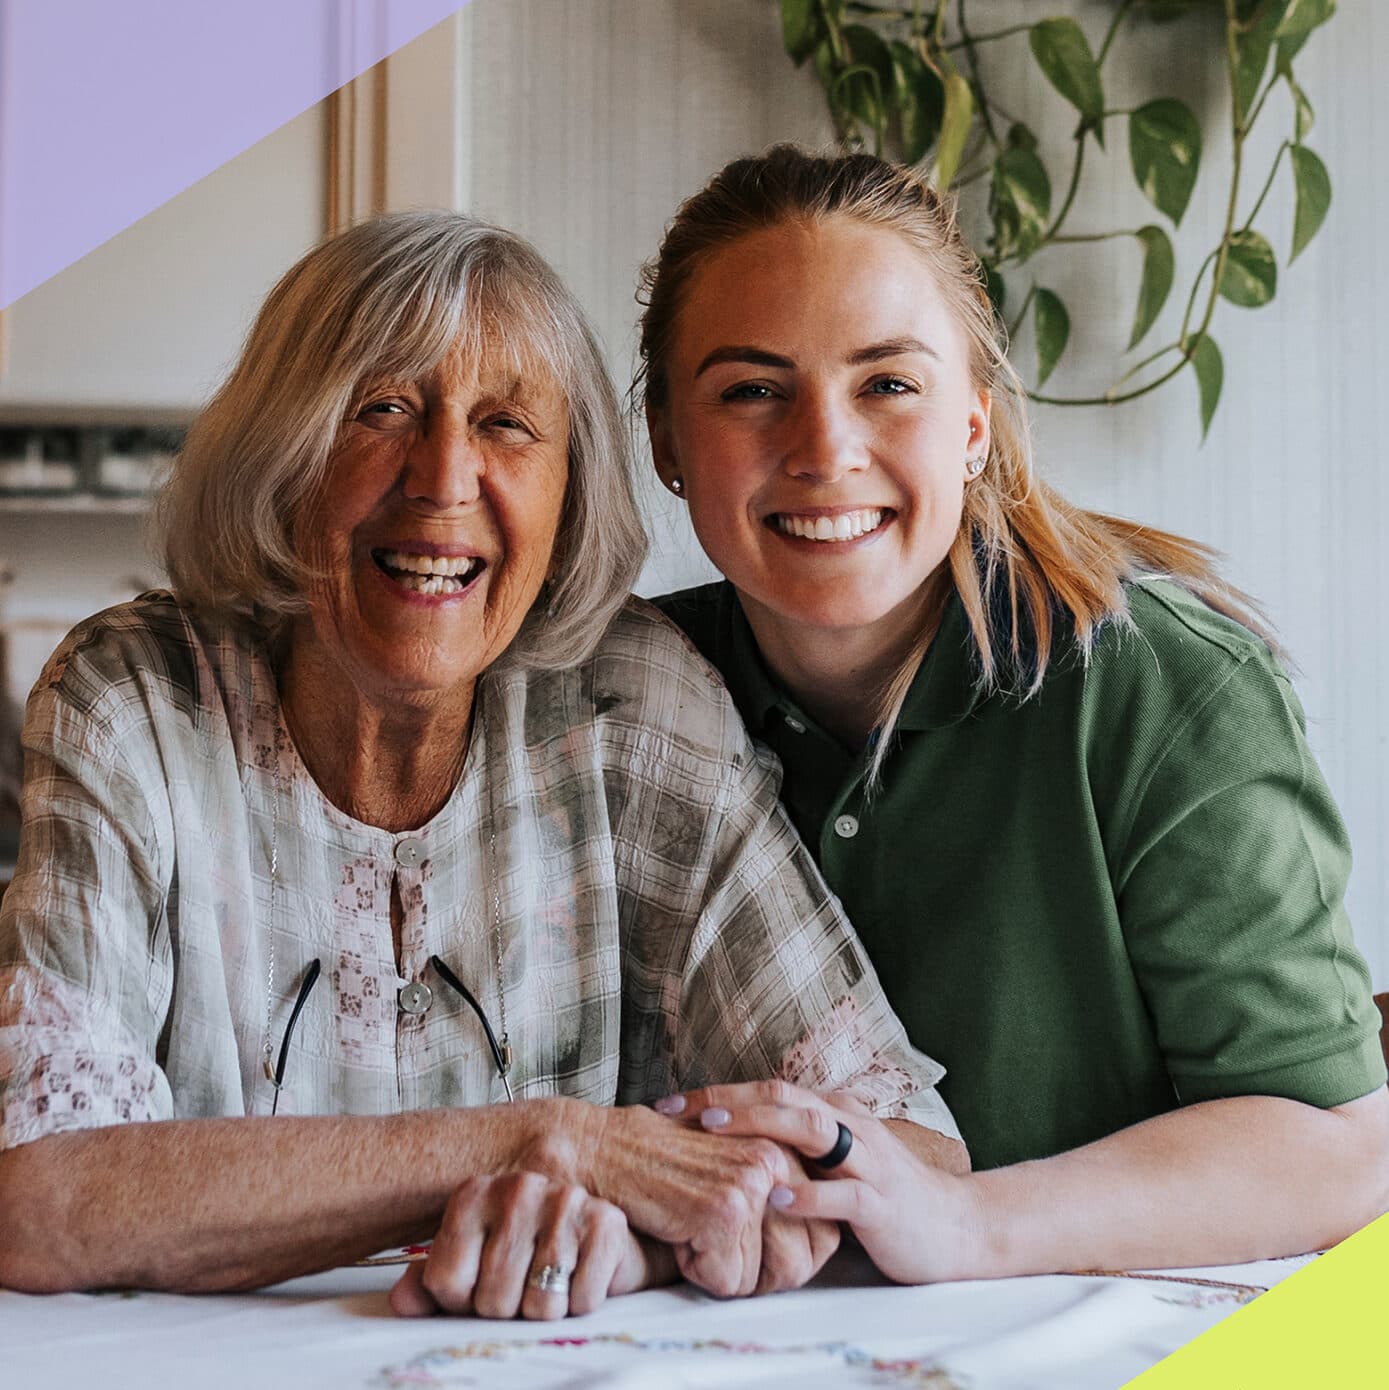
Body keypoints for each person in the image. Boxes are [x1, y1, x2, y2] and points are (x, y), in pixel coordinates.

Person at [0, 209, 964, 1315]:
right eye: (383, 409)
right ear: (285, 450)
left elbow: (910, 1158)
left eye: (506, 424)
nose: (443, 476)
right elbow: (41, 1195)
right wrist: (545, 1140)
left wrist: (649, 1235)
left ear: (568, 494)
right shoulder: (134, 698)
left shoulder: (631, 711)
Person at [642, 145, 1389, 1281]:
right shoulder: (629, 696)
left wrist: (968, 1225)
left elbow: (1339, 1147)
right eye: (752, 391)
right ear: (665, 444)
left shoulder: (1166, 686)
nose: (824, 450)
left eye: (888, 383)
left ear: (977, 425)